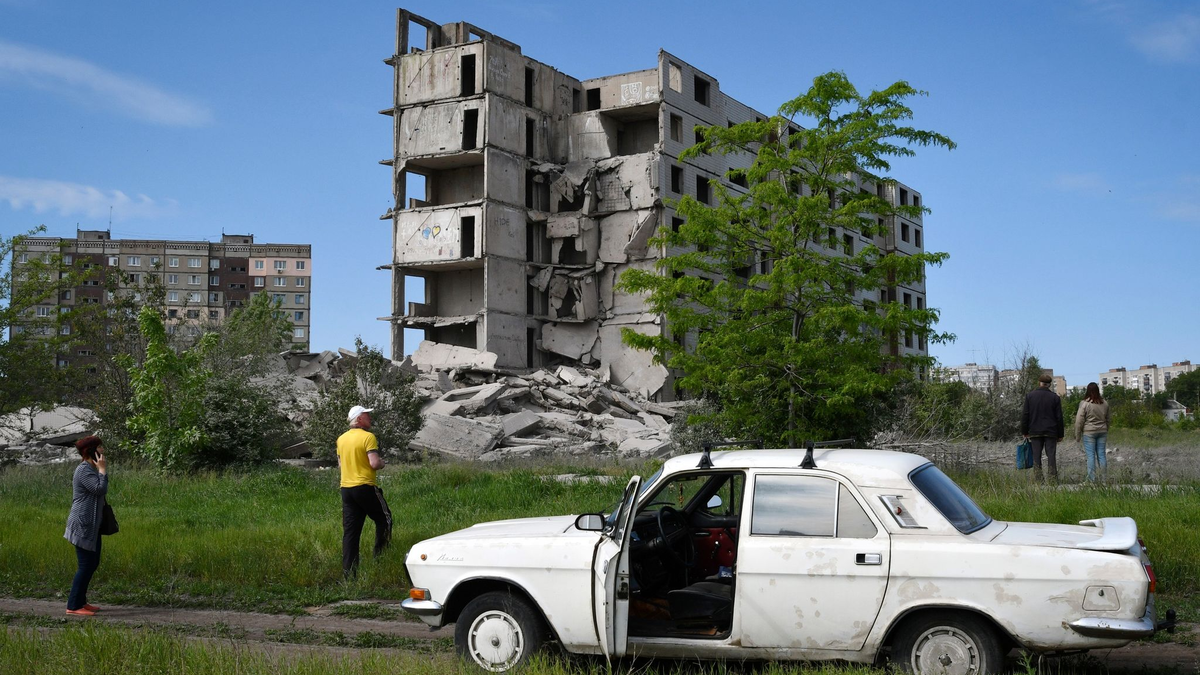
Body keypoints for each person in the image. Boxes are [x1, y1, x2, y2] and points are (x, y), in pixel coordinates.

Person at [337, 405, 392, 578]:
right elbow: (374, 463)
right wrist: (383, 463)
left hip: (346, 489)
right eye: (367, 415)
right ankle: (381, 559)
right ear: (359, 419)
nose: (370, 418)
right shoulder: (368, 437)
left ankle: (349, 574)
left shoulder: (341, 439)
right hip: (365, 486)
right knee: (385, 519)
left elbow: (340, 465)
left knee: (351, 532)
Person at [64, 435, 109, 616]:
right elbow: (100, 488)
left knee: (92, 563)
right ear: (91, 450)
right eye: (99, 447)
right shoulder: (83, 470)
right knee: (85, 565)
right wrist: (103, 470)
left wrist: (101, 469)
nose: (103, 450)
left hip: (92, 525)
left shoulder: (92, 467)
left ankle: (81, 601)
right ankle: (73, 606)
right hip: (82, 523)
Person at [1021, 373, 1064, 482]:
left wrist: (1024, 431)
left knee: (1036, 456)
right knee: (1051, 456)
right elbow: (1059, 417)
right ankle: (1053, 480)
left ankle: (1039, 480)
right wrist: (1060, 434)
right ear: (1049, 385)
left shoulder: (1030, 396)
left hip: (1035, 431)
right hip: (1051, 431)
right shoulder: (1055, 398)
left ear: (1039, 383)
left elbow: (1025, 415)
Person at [1074, 382, 1112, 483]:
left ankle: (1091, 480)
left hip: (1089, 432)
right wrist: (1105, 428)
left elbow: (1079, 421)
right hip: (1102, 431)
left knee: (1091, 456)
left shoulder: (1085, 404)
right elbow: (1108, 419)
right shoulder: (1105, 403)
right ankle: (1104, 480)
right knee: (1102, 455)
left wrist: (1078, 435)